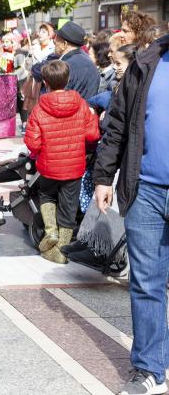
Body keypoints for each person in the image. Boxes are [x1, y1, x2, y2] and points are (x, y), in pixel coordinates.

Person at [94, 30, 169, 395]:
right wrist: (104, 177)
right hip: (146, 191)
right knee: (146, 282)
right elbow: (118, 124)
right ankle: (150, 368)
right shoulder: (146, 63)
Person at [23, 60, 99, 263]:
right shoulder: (81, 104)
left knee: (46, 195)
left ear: (45, 82)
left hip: (48, 166)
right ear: (68, 80)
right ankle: (62, 251)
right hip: (74, 167)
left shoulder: (39, 108)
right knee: (69, 205)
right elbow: (92, 135)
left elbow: (33, 142)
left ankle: (51, 232)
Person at [45, 21, 100, 102]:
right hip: (86, 112)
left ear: (64, 44)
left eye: (56, 39)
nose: (54, 42)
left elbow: (58, 99)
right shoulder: (88, 61)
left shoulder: (65, 66)